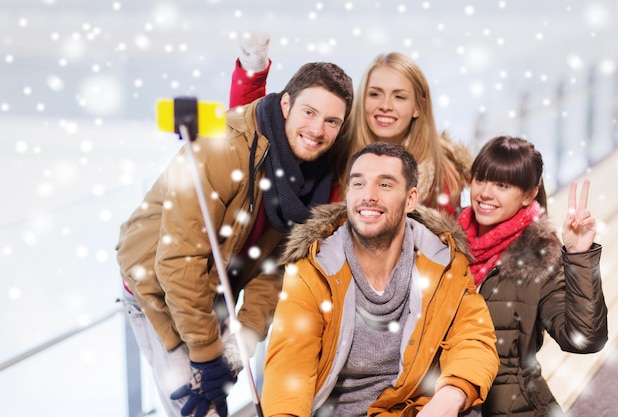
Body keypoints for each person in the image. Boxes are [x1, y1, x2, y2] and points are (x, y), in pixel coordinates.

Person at [115, 61, 353, 417]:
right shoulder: (222, 148)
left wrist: (247, 334)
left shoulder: (310, 177)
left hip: (216, 287)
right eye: (309, 112)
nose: (318, 129)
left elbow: (274, 264)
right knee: (198, 408)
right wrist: (207, 354)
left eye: (331, 121)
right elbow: (179, 261)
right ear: (286, 105)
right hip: (157, 286)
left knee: (217, 396)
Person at [261, 141, 499, 416]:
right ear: (347, 192)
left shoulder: (443, 262)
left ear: (410, 199)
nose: (369, 196)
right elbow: (289, 369)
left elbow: (473, 336)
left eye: (385, 185)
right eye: (358, 184)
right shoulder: (313, 271)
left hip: (415, 408)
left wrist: (451, 395)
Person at [230, 32, 473, 214]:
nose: (385, 105)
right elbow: (260, 132)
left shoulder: (446, 174)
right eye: (375, 94)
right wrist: (253, 69)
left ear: (418, 106)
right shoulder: (335, 150)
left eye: (399, 96)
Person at [456, 135, 609, 417]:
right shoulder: (447, 243)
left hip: (514, 408)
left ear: (529, 194)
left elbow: (583, 339)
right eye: (480, 179)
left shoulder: (539, 259)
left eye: (502, 185)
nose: (485, 193)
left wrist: (578, 256)